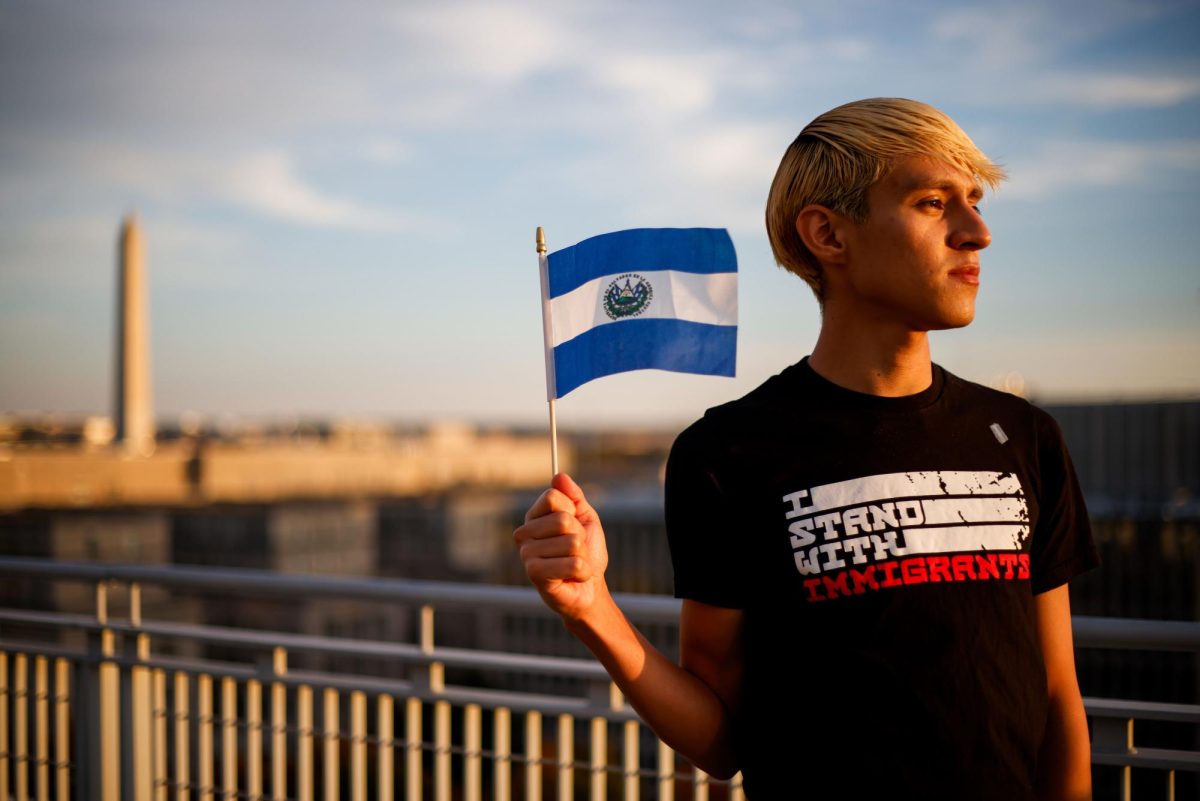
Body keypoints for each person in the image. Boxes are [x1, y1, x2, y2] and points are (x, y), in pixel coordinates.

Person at [514, 98, 1099, 800]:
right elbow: (722, 738)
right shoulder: (727, 453)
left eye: (973, 202)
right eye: (933, 203)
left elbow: (1059, 699)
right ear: (827, 233)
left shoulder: (1024, 436)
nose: (977, 233)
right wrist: (592, 607)